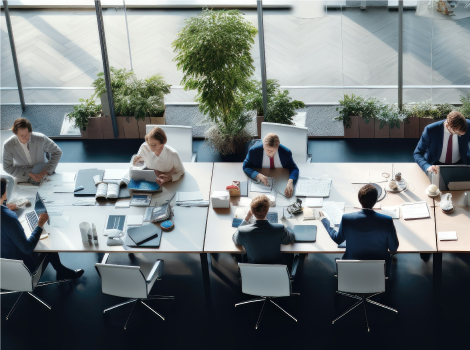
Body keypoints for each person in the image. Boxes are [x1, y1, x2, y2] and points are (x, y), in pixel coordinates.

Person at [0, 178, 84, 279]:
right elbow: (27, 248)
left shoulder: (6, 214)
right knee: (48, 245)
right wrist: (39, 225)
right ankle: (61, 271)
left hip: (3, 264)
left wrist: (4, 205)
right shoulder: (9, 218)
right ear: (3, 192)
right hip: (18, 269)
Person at [319, 184, 399, 274]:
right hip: (380, 271)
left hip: (351, 270)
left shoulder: (347, 219)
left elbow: (337, 239)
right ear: (376, 200)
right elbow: (393, 248)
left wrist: (324, 220)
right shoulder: (387, 221)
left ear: (359, 199)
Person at [232, 195, 294, 264]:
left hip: (254, 269)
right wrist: (288, 227)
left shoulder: (243, 231)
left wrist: (246, 218)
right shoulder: (280, 229)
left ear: (252, 211)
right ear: (267, 210)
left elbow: (235, 239)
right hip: (276, 270)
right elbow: (290, 239)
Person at [3, 118, 63, 183]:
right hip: (22, 176)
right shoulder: (8, 145)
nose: (24, 137)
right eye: (21, 135)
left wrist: (45, 171)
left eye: (26, 135)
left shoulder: (41, 139)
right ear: (15, 133)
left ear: (30, 132)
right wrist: (30, 175)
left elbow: (57, 152)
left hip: (44, 174)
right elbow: (7, 167)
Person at [414, 111, 470, 176]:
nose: (460, 135)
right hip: (436, 166)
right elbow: (417, 153)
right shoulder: (430, 130)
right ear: (447, 126)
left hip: (461, 164)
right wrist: (427, 166)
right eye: (458, 134)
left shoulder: (468, 125)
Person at [243, 133, 299, 198]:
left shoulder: (286, 153)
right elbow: (245, 166)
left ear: (278, 147)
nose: (270, 153)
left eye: (273, 151)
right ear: (263, 146)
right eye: (267, 150)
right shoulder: (253, 151)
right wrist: (257, 175)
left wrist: (291, 181)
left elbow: (294, 168)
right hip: (261, 183)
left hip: (278, 180)